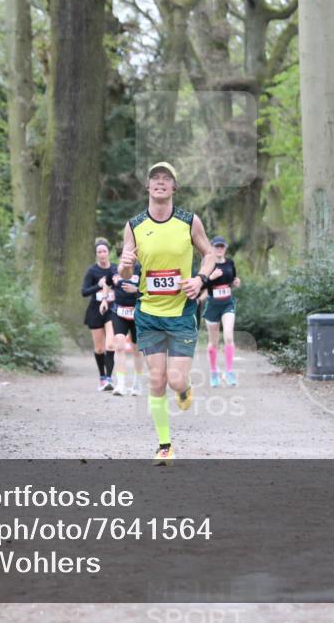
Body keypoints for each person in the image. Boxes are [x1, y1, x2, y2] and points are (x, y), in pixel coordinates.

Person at [118, 161, 216, 465]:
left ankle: (184, 388)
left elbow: (210, 254)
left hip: (183, 313)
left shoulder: (189, 222)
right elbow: (124, 273)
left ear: (174, 187)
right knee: (156, 379)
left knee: (175, 380)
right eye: (155, 179)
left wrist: (200, 279)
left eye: (167, 179)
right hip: (148, 312)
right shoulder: (134, 226)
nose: (160, 182)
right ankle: (164, 445)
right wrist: (124, 263)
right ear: (148, 187)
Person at [201, 236, 241, 387]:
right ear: (211, 247)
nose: (219, 249)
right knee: (213, 342)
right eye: (216, 246)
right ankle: (213, 372)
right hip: (212, 305)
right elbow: (202, 284)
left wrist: (236, 282)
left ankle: (229, 372)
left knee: (229, 336)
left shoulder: (230, 263)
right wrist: (212, 276)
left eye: (222, 246)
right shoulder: (207, 264)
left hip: (227, 303)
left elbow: (233, 279)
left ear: (225, 248)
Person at [81, 238, 117, 391]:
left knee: (110, 344)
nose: (102, 254)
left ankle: (109, 379)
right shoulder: (92, 271)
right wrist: (99, 285)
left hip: (111, 310)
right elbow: (84, 292)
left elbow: (121, 284)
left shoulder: (115, 269)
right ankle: (102, 377)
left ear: (109, 253)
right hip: (95, 311)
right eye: (99, 252)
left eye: (104, 251)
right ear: (96, 254)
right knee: (100, 348)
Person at [110, 262, 144, 396]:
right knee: (119, 346)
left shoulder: (142, 268)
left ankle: (137, 384)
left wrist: (136, 290)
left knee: (137, 349)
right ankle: (120, 384)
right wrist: (106, 295)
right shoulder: (116, 268)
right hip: (119, 312)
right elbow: (107, 282)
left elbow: (150, 290)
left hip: (138, 312)